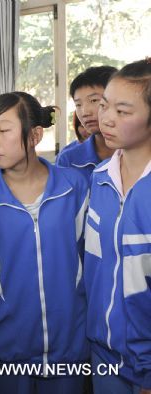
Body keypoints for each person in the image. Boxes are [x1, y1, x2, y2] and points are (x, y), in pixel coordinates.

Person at [0, 92, 90, 393]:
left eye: (4, 130)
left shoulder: (75, 187)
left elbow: (92, 262)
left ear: (35, 134)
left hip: (71, 344)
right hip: (8, 345)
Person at [84, 59, 151, 394]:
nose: (105, 118)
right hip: (104, 353)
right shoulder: (99, 179)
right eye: (105, 105)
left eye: (123, 112)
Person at [56, 66, 118, 178]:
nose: (85, 112)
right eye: (78, 105)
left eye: (94, 100)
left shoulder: (140, 153)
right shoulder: (69, 159)